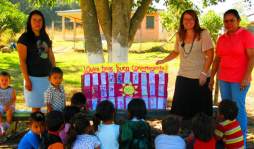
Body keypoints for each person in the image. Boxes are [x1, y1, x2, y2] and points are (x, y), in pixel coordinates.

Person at [156, 9, 214, 120]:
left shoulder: (203, 33)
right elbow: (176, 52)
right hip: (183, 76)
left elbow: (210, 54)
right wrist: (163, 60)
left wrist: (204, 73)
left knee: (200, 112)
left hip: (200, 77)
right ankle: (181, 133)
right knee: (179, 109)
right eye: (185, 19)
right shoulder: (179, 35)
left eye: (191, 19)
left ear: (195, 20)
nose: (188, 21)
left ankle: (198, 134)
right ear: (182, 21)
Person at [209, 9, 254, 146]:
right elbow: (217, 60)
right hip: (224, 79)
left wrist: (246, 76)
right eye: (226, 21)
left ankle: (241, 142)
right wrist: (212, 78)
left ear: (238, 21)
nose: (228, 23)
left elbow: (252, 57)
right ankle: (228, 138)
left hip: (240, 80)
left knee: (237, 109)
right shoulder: (221, 38)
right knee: (225, 111)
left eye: (231, 20)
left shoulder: (246, 35)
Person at [17, 10, 55, 113]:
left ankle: (49, 128)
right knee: (36, 108)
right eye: (34, 20)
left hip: (47, 77)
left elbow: (51, 55)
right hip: (33, 79)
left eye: (40, 20)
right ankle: (36, 129)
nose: (37, 23)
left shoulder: (45, 36)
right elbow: (22, 61)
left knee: (50, 106)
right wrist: (27, 80)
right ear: (29, 22)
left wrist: (54, 73)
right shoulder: (24, 38)